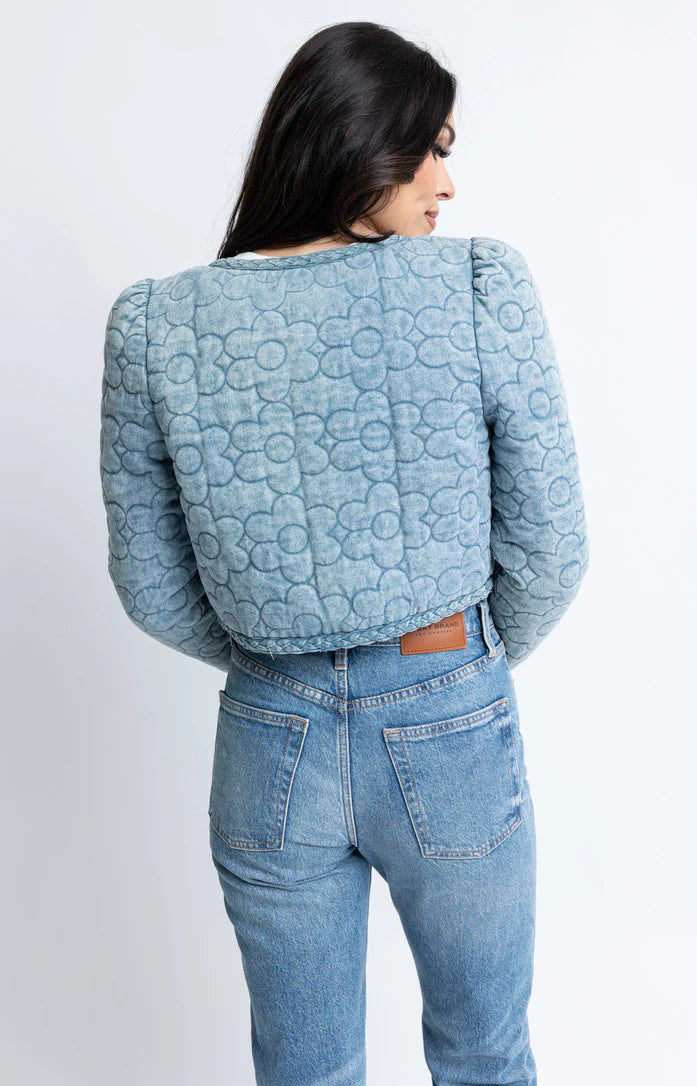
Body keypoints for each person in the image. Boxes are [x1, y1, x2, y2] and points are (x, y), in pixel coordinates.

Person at [99, 20, 589, 1086]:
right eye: (430, 149)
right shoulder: (476, 287)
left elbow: (150, 583)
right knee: (484, 1054)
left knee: (304, 1073)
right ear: (357, 140)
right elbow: (551, 544)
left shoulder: (156, 325)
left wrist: (282, 652)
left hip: (268, 731)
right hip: (446, 708)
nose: (446, 183)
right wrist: (456, 662)